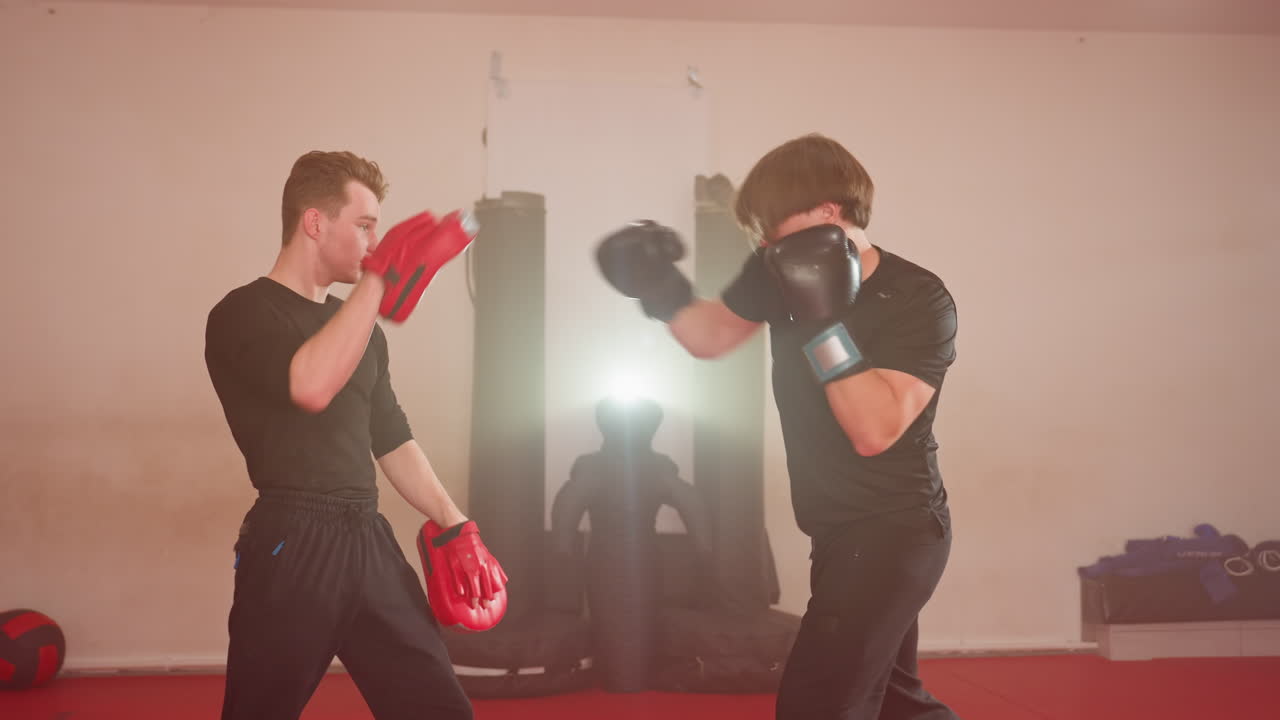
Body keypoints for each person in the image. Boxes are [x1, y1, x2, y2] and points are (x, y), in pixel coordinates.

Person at [595, 133, 960, 719]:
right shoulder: (777, 270)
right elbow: (709, 336)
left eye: (774, 225)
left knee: (816, 706)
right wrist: (658, 285)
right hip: (837, 532)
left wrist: (823, 322)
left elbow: (874, 430)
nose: (765, 242)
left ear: (829, 213)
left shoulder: (917, 298)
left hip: (894, 530)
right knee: (895, 705)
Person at [204, 150, 504, 720]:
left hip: (367, 537)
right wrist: (378, 282)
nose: (375, 242)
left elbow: (391, 437)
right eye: (364, 225)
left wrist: (454, 519)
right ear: (314, 222)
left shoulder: (364, 330)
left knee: (439, 709)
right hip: (292, 541)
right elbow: (311, 386)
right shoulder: (243, 313)